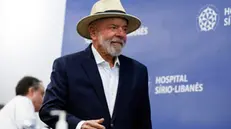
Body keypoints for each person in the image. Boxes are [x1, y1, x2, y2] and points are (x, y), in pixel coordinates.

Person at [39, 0, 152, 129]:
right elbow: (49, 110)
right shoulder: (66, 66)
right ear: (93, 33)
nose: (121, 34)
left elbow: (143, 122)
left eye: (124, 29)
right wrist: (79, 125)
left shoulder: (138, 71)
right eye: (113, 27)